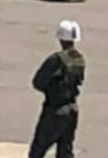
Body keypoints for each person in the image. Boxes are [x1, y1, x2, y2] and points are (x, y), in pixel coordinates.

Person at [28, 20, 86, 158]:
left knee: (38, 150)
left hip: (55, 109)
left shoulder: (56, 59)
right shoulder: (80, 59)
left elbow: (38, 82)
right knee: (65, 151)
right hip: (72, 108)